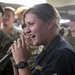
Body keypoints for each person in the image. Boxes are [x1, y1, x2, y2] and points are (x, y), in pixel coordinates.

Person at [9, 3, 75, 75]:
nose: (26, 30)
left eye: (31, 24)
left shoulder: (61, 55)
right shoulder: (47, 50)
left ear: (49, 24)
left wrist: (21, 61)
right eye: (25, 26)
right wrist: (16, 63)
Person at [0, 6, 22, 75]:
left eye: (8, 15)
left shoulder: (20, 33)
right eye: (4, 15)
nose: (5, 17)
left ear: (14, 18)